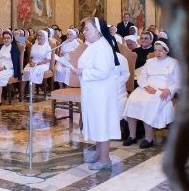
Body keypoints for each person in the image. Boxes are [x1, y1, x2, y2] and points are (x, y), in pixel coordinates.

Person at [73, 17, 122, 170]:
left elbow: (102, 72)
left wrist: (82, 72)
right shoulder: (95, 45)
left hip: (101, 93)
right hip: (94, 91)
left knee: (102, 124)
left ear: (98, 30)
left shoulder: (102, 46)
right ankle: (100, 153)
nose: (84, 32)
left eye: (87, 29)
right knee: (97, 123)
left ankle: (105, 159)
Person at [123, 40, 181, 148]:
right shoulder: (149, 62)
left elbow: (178, 83)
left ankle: (149, 138)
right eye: (155, 51)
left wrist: (168, 90)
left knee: (148, 103)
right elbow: (141, 78)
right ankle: (132, 136)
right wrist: (146, 87)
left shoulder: (174, 62)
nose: (157, 53)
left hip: (163, 90)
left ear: (166, 51)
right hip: (147, 87)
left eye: (160, 51)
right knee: (132, 100)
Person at [20, 29, 52, 100]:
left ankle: (31, 94)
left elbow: (47, 59)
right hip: (33, 63)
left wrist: (37, 64)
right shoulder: (34, 45)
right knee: (26, 71)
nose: (39, 37)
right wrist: (31, 61)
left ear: (45, 37)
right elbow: (31, 56)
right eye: (38, 35)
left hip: (43, 64)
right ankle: (21, 93)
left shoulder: (47, 47)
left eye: (41, 35)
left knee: (34, 71)